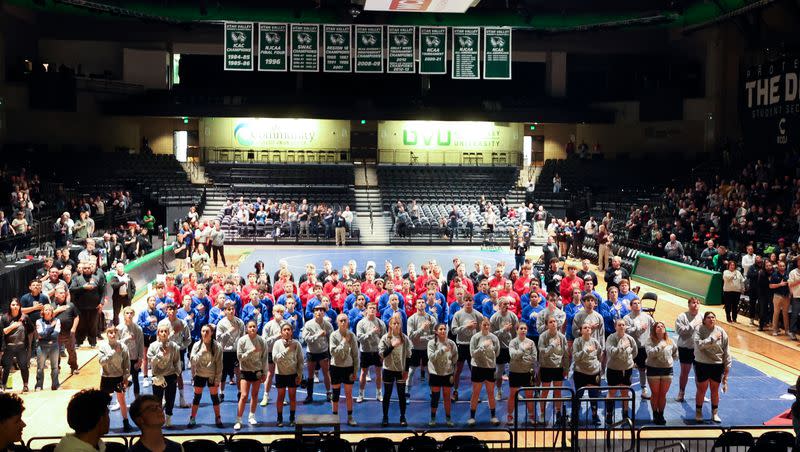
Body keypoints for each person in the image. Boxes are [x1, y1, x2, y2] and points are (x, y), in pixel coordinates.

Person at [693, 312, 731, 423]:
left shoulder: (721, 331)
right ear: (704, 320)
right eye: (708, 317)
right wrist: (712, 338)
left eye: (713, 317)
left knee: (715, 390)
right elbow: (699, 345)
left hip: (716, 364)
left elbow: (726, 350)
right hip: (702, 363)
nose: (711, 319)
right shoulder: (699, 330)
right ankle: (698, 412)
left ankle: (715, 413)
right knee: (702, 389)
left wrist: (727, 366)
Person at [378, 313, 412, 426]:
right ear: (390, 325)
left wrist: (406, 370)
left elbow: (408, 355)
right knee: (387, 394)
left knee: (401, 395)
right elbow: (382, 355)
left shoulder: (405, 338)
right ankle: (385, 417)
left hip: (400, 371)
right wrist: (392, 346)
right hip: (388, 369)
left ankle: (403, 417)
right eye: (394, 323)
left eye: (398, 323)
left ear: (401, 325)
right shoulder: (385, 338)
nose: (396, 325)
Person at [234, 320, 268, 430]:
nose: (252, 328)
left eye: (254, 326)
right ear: (247, 328)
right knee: (244, 396)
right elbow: (239, 357)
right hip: (245, 371)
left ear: (257, 328)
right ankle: (239, 419)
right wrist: (251, 351)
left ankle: (252, 416)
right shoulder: (242, 341)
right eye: (250, 327)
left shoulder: (262, 341)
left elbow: (264, 358)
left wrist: (264, 372)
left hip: (257, 371)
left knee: (255, 394)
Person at [188, 324, 224, 428]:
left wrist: (217, 379)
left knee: (214, 398)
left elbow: (219, 364)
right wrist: (200, 353)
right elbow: (192, 361)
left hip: (212, 375)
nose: (205, 333)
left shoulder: (217, 346)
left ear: (212, 333)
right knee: (197, 397)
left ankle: (218, 418)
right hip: (200, 374)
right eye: (203, 331)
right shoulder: (197, 345)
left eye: (207, 331)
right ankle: (192, 418)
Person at [97, 326, 132, 432]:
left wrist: (126, 378)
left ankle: (126, 422)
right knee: (103, 403)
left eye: (114, 333)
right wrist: (113, 353)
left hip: (119, 378)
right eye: (110, 333)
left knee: (122, 400)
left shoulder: (123, 347)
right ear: (107, 334)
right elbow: (101, 361)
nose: (112, 334)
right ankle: (101, 424)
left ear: (118, 334)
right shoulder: (103, 347)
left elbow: (127, 364)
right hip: (106, 378)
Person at [468, 318, 501, 426]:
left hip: (490, 368)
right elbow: (472, 354)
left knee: (491, 392)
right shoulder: (475, 337)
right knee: (476, 393)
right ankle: (472, 417)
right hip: (477, 367)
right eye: (484, 325)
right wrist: (482, 347)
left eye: (487, 325)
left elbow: (497, 353)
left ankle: (493, 416)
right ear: (480, 326)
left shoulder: (494, 338)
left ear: (490, 326)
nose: (486, 327)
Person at [147, 324, 181, 427]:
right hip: (157, 376)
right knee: (156, 400)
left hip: (170, 376)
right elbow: (151, 361)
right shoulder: (153, 346)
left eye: (166, 331)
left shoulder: (174, 346)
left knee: (170, 398)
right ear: (158, 333)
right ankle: (158, 418)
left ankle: (168, 419)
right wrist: (161, 355)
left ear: (168, 333)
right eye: (161, 331)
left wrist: (176, 373)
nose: (163, 333)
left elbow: (177, 361)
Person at [451, 297, 484, 402]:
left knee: (474, 371)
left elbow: (482, 331)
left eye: (470, 300)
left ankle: (475, 394)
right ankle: (455, 391)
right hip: (461, 345)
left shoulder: (478, 315)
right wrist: (466, 327)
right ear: (463, 302)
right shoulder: (458, 314)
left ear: (473, 302)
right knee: (457, 370)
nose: (468, 302)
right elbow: (453, 331)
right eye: (466, 300)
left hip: (473, 346)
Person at [605, 318, 637, 424]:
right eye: (619, 325)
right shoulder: (611, 338)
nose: (621, 326)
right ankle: (609, 413)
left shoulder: (630, 339)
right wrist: (622, 347)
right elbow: (611, 352)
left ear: (626, 326)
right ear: (615, 327)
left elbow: (635, 352)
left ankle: (625, 414)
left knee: (625, 392)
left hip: (626, 369)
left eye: (623, 325)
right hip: (613, 369)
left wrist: (628, 360)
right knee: (612, 392)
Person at [645, 321, 678, 425]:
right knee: (655, 394)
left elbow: (675, 354)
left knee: (663, 394)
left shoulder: (670, 341)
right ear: (654, 329)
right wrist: (660, 346)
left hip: (667, 369)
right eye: (658, 326)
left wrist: (668, 360)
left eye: (662, 326)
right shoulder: (649, 341)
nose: (660, 328)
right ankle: (655, 414)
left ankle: (661, 414)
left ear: (665, 329)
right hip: (653, 369)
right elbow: (650, 354)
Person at [329, 314, 359, 426]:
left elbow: (356, 355)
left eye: (345, 320)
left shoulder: (352, 335)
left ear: (348, 322)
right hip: (336, 367)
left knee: (348, 394)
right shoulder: (333, 335)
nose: (343, 322)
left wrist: (355, 370)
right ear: (337, 322)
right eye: (341, 320)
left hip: (348, 368)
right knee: (335, 394)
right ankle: (334, 417)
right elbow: (333, 353)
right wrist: (343, 342)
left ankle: (350, 417)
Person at [272, 322, 304, 427]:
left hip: (292, 374)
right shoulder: (277, 344)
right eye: (284, 330)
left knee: (292, 397)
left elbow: (300, 360)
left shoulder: (297, 344)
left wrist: (299, 374)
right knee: (280, 396)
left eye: (288, 330)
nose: (286, 331)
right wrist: (287, 350)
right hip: (280, 374)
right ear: (281, 332)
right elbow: (275, 359)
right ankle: (279, 418)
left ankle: (292, 418)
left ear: (292, 332)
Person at [427, 323, 457, 426]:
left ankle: (448, 418)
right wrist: (442, 350)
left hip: (447, 373)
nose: (443, 331)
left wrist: (451, 369)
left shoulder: (451, 343)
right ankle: (433, 418)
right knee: (435, 396)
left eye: (444, 329)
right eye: (441, 329)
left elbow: (455, 358)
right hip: (435, 373)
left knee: (447, 396)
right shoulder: (432, 343)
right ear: (436, 331)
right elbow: (431, 357)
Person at [302, 305, 333, 404]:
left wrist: (330, 352)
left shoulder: (327, 325)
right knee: (310, 375)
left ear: (324, 313)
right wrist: (318, 335)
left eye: (321, 310)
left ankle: (329, 393)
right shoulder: (308, 324)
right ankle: (309, 395)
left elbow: (331, 338)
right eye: (317, 310)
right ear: (314, 313)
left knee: (326, 373)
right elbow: (306, 339)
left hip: (323, 352)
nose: (319, 312)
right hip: (312, 352)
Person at [572, 322, 603, 425]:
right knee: (579, 395)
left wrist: (596, 365)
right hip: (580, 372)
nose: (587, 329)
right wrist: (585, 351)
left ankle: (595, 415)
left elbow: (599, 355)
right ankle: (575, 416)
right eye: (585, 328)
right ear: (581, 331)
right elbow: (575, 357)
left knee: (594, 396)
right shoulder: (577, 342)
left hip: (594, 372)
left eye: (589, 327)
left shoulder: (595, 342)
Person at [624, 298, 654, 400]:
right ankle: (626, 389)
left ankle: (644, 389)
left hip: (643, 348)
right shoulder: (627, 318)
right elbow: (626, 331)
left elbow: (654, 329)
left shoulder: (648, 317)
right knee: (628, 368)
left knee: (642, 369)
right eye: (634, 304)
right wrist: (639, 328)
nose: (637, 305)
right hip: (631, 347)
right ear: (631, 306)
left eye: (638, 303)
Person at [507, 323, 537, 425]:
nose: (523, 330)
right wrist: (523, 350)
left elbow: (534, 358)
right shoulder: (512, 342)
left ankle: (531, 416)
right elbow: (513, 355)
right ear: (517, 330)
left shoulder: (531, 342)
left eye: (525, 328)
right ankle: (510, 417)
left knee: (529, 396)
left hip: (527, 372)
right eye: (521, 328)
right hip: (515, 372)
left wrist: (521, 357)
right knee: (512, 395)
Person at [355, 302, 385, 403]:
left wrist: (383, 351)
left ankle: (379, 393)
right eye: (370, 308)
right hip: (366, 351)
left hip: (377, 351)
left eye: (374, 308)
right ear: (366, 310)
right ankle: (361, 394)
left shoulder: (381, 323)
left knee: (378, 373)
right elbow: (360, 338)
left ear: (376, 310)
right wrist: (371, 332)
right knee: (363, 373)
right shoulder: (361, 323)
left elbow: (384, 338)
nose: (372, 310)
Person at [407, 299, 436, 395]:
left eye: (423, 302)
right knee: (411, 371)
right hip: (415, 348)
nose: (421, 304)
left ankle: (433, 392)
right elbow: (410, 336)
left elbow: (435, 335)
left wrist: (423, 338)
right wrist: (422, 329)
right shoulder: (411, 319)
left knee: (430, 371)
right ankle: (407, 392)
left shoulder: (431, 319)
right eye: (419, 303)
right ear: (415, 306)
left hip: (427, 349)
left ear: (425, 304)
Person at [674, 297, 702, 402]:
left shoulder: (703, 316)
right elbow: (681, 331)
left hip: (699, 349)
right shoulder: (682, 316)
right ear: (689, 304)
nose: (696, 304)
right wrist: (693, 324)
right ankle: (681, 392)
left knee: (699, 373)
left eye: (698, 303)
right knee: (684, 372)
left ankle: (700, 393)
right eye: (694, 302)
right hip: (685, 347)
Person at [491, 297, 518, 402]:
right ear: (499, 305)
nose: (507, 306)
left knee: (513, 371)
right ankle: (498, 390)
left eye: (508, 304)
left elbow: (517, 331)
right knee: (499, 372)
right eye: (504, 304)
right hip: (500, 348)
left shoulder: (513, 316)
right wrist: (503, 330)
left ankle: (515, 392)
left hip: (510, 347)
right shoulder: (494, 317)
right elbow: (492, 334)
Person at [1, 299, 31, 392]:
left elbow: (31, 330)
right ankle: (3, 386)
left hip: (21, 347)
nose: (15, 306)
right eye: (13, 304)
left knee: (23, 366)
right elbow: (2, 332)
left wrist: (29, 345)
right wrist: (12, 326)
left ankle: (25, 386)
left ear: (20, 306)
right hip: (8, 347)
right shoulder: (5, 318)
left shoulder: (25, 317)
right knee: (6, 367)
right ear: (10, 306)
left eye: (17, 304)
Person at [216, 302, 244, 401]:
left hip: (236, 351)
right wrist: (229, 331)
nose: (231, 311)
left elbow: (242, 338)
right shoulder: (221, 323)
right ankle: (221, 393)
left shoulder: (240, 322)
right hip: (224, 351)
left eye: (232, 309)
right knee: (223, 373)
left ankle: (240, 392)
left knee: (238, 372)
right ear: (225, 311)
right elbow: (219, 339)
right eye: (228, 309)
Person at [260, 304, 286, 407]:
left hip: (283, 352)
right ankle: (265, 396)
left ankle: (282, 397)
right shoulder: (268, 325)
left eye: (281, 312)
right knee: (270, 374)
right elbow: (264, 341)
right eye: (277, 312)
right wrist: (276, 336)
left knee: (282, 374)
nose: (279, 314)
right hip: (271, 352)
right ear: (273, 313)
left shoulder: (286, 324)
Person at [35, 304, 61, 391]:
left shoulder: (57, 320)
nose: (48, 311)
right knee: (40, 368)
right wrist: (51, 327)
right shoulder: (38, 321)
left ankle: (55, 385)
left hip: (54, 346)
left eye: (50, 310)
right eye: (46, 310)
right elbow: (40, 334)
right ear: (43, 312)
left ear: (52, 311)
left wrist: (45, 334)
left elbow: (55, 335)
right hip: (42, 347)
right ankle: (39, 385)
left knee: (55, 367)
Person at [109, 263, 135, 327]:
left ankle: (128, 325)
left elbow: (133, 287)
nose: (120, 268)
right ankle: (116, 327)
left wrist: (131, 296)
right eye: (119, 267)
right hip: (117, 298)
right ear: (116, 268)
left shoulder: (128, 276)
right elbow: (114, 285)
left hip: (126, 298)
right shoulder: (114, 277)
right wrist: (123, 282)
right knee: (116, 313)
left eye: (122, 266)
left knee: (128, 312)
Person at [770, 260, 791, 338]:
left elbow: (790, 285)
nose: (782, 267)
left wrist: (790, 293)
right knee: (776, 313)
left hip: (786, 296)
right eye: (781, 266)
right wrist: (780, 284)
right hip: (777, 296)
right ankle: (775, 330)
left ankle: (787, 330)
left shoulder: (788, 274)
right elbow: (771, 286)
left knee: (785, 314)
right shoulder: (774, 275)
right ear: (778, 267)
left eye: (784, 266)